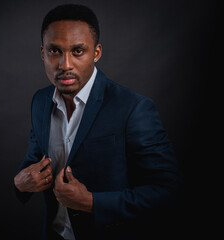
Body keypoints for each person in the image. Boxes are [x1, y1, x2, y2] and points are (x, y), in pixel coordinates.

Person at [14, 4, 182, 240]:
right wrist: (19, 183)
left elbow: (168, 192)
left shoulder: (133, 108)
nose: (65, 65)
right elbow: (34, 160)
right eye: (55, 51)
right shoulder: (40, 101)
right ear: (43, 53)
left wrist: (92, 202)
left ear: (97, 52)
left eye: (78, 51)